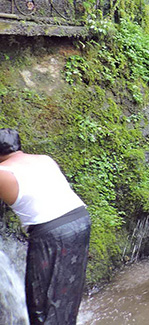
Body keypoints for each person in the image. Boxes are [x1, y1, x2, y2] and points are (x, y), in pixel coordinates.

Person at [0, 128, 91, 325]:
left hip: (52, 232)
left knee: (40, 301)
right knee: (67, 291)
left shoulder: (3, 173)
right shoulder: (44, 159)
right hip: (80, 220)